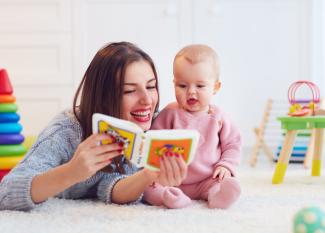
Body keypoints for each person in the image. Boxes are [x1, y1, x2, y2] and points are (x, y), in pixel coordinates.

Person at [0, 42, 188, 211]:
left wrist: (149, 175)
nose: (147, 100)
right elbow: (6, 193)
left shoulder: (158, 125)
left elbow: (111, 187)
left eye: (151, 86)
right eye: (129, 90)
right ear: (103, 96)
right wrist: (71, 172)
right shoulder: (67, 131)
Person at [143, 44, 241, 209]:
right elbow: (152, 142)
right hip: (171, 179)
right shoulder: (169, 113)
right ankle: (170, 197)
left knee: (219, 182)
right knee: (148, 188)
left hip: (207, 178)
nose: (191, 92)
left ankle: (218, 195)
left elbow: (233, 143)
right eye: (182, 85)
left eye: (200, 86)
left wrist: (226, 165)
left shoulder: (218, 117)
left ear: (215, 87)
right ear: (174, 83)